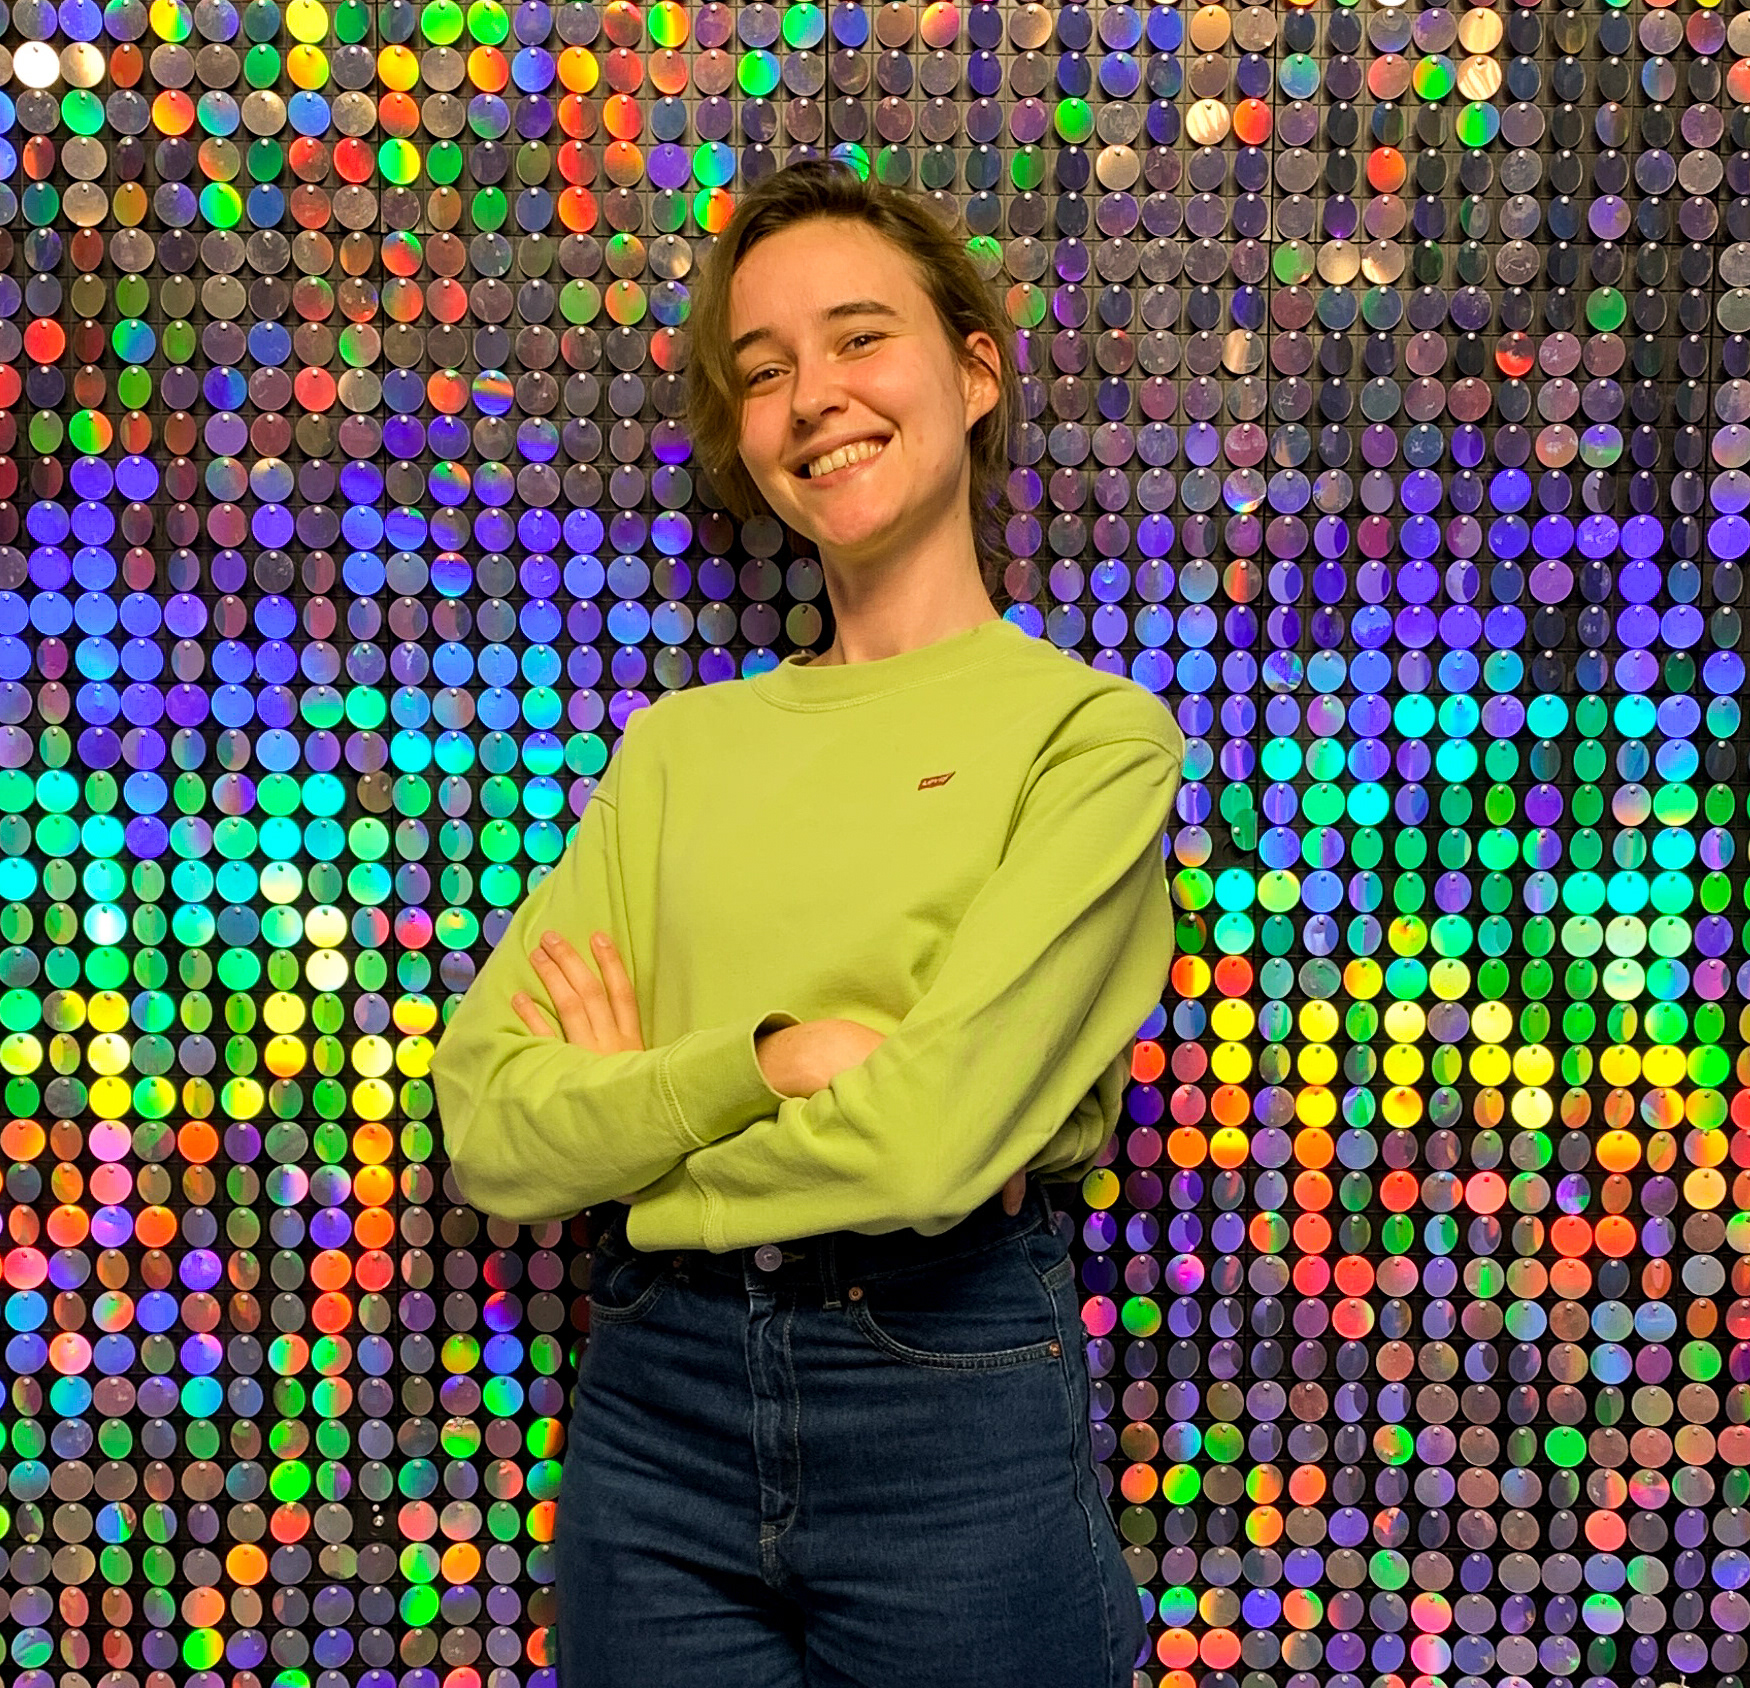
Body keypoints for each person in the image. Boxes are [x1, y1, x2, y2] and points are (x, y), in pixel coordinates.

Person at [428, 159, 1184, 1688]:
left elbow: (921, 1149)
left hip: (941, 1389)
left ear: (974, 371)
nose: (811, 397)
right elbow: (493, 1134)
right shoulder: (676, 752)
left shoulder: (1090, 740)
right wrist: (765, 1063)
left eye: (858, 338)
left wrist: (632, 1116)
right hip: (656, 1408)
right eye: (762, 369)